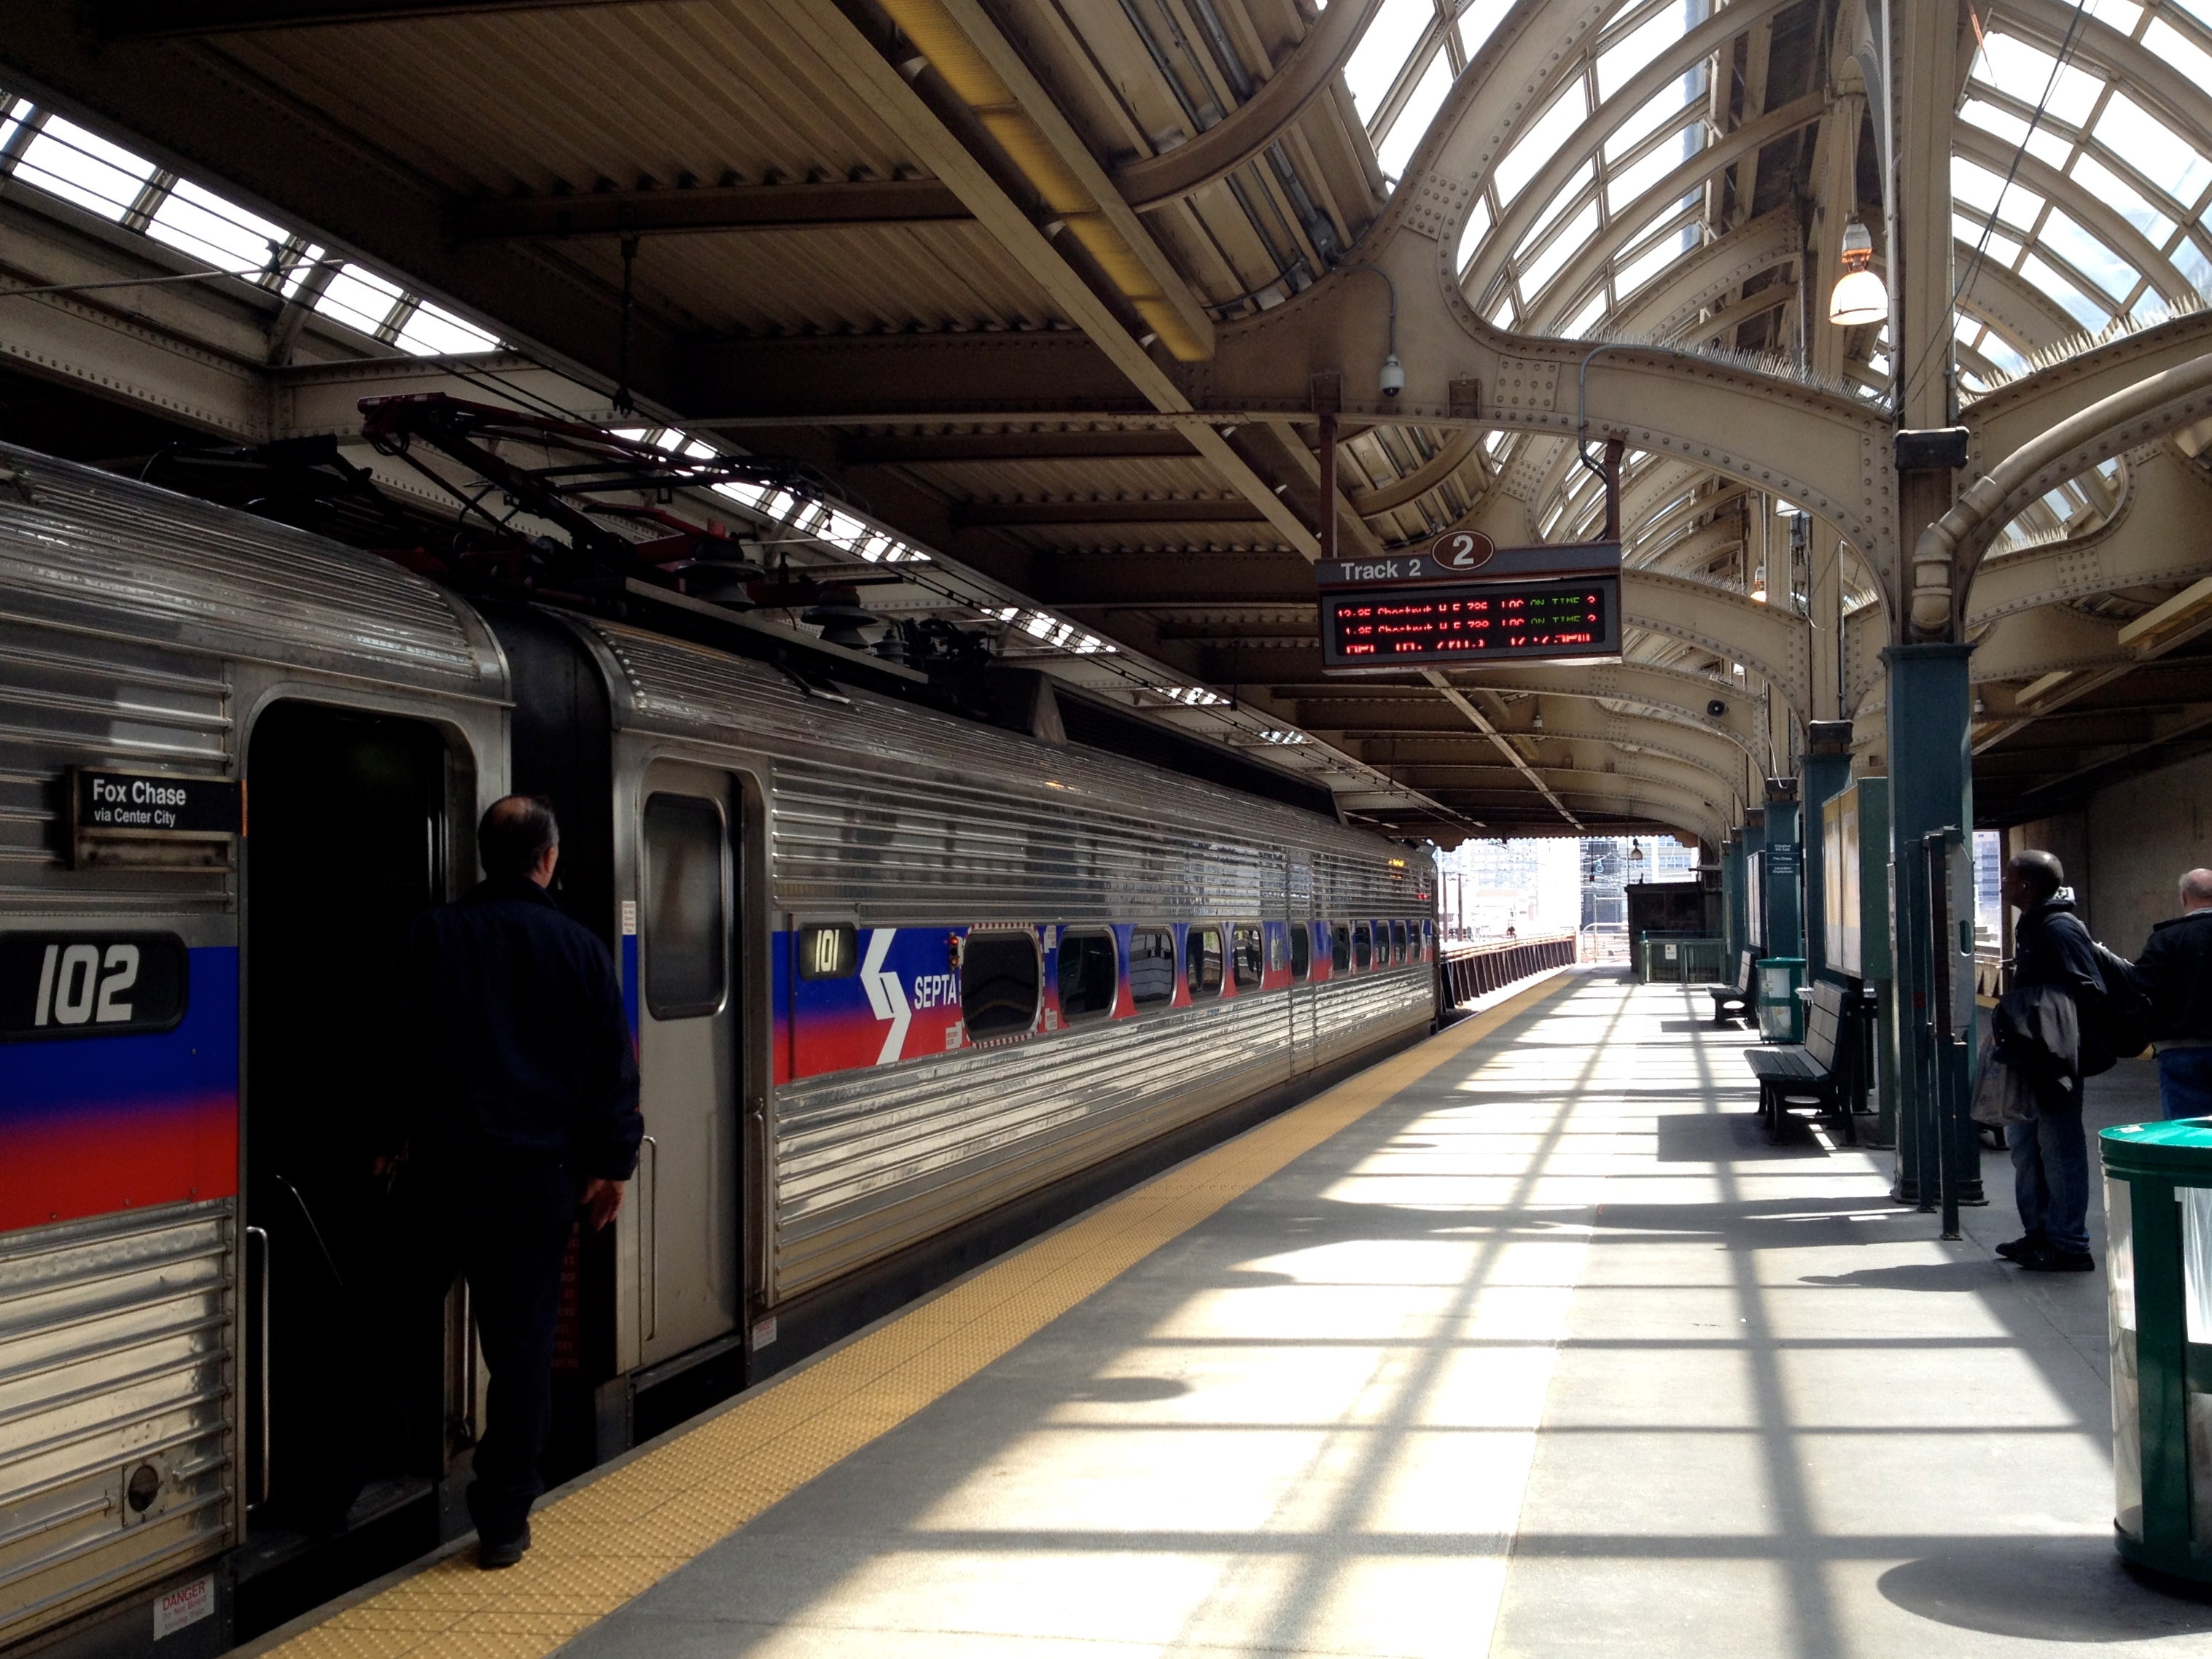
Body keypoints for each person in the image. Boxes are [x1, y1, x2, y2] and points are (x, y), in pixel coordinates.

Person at [394, 796, 642, 1569]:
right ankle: (503, 1522)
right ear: (548, 858)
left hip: (439, 1174)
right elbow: (613, 1072)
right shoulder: (579, 951)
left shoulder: (429, 937)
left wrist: (379, 1139)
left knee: (381, 1326)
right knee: (524, 1353)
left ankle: (334, 1486)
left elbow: (388, 1049)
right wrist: (613, 1164)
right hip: (536, 1184)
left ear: (482, 855)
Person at [1996, 850, 2104, 1273]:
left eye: (2009, 877)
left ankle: (2071, 1243)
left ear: (2027, 886)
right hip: (2032, 1053)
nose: (2002, 883)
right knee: (2026, 1147)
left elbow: (2088, 990)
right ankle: (2039, 1232)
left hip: (2054, 1055)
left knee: (2060, 1149)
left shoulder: (2059, 929)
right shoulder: (2034, 924)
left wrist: (2046, 1020)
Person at [2130, 868, 2212, 1119]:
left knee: (2184, 1136)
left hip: (2181, 1051)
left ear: (2184, 898)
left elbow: (2139, 990)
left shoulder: (2166, 939)